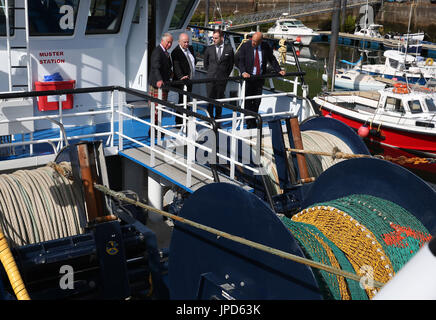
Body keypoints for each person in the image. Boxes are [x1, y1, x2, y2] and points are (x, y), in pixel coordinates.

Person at [237, 32, 286, 129]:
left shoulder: (265, 46)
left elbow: (271, 59)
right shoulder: (246, 46)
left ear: (260, 41)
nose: (253, 43)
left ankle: (254, 119)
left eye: (255, 42)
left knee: (257, 100)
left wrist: (279, 70)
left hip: (259, 77)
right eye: (253, 40)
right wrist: (243, 72)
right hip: (249, 77)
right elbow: (240, 60)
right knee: (248, 100)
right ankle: (249, 122)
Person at [203, 29, 234, 120]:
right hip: (210, 79)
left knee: (220, 100)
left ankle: (218, 118)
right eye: (213, 38)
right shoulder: (209, 49)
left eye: (216, 38)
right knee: (210, 99)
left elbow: (230, 65)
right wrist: (211, 72)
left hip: (222, 79)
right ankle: (209, 118)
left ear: (222, 38)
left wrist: (225, 75)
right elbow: (206, 64)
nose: (214, 40)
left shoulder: (229, 49)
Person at [171, 32, 197, 125]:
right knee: (182, 100)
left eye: (187, 42)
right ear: (179, 42)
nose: (186, 44)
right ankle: (179, 122)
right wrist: (181, 76)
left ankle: (186, 120)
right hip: (182, 82)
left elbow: (194, 61)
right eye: (184, 42)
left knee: (188, 100)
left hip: (190, 80)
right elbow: (176, 66)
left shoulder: (191, 48)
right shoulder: (175, 52)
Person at [148, 33, 173, 127]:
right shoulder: (157, 51)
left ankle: (157, 128)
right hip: (157, 86)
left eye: (171, 42)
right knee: (155, 109)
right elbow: (155, 67)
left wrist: (171, 73)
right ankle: (153, 130)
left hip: (164, 85)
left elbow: (166, 67)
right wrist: (159, 80)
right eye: (168, 42)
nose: (169, 44)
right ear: (162, 41)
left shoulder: (165, 52)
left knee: (160, 108)